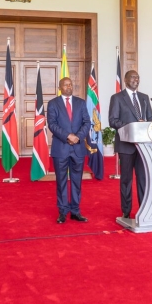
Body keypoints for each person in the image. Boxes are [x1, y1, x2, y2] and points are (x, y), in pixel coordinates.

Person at [108, 70, 152, 219]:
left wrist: (147, 124)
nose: (136, 80)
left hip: (144, 147)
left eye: (138, 77)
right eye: (133, 77)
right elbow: (113, 121)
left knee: (143, 179)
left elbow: (151, 118)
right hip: (126, 146)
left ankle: (144, 209)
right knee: (126, 180)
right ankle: (126, 211)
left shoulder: (145, 98)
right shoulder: (117, 98)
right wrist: (133, 125)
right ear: (126, 80)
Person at [48, 77, 91, 223]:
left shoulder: (81, 103)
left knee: (76, 181)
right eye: (66, 85)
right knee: (61, 181)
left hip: (78, 148)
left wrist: (77, 137)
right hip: (61, 148)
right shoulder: (53, 103)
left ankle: (75, 211)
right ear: (60, 87)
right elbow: (52, 124)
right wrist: (67, 136)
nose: (69, 87)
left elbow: (87, 122)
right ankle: (62, 211)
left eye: (71, 84)